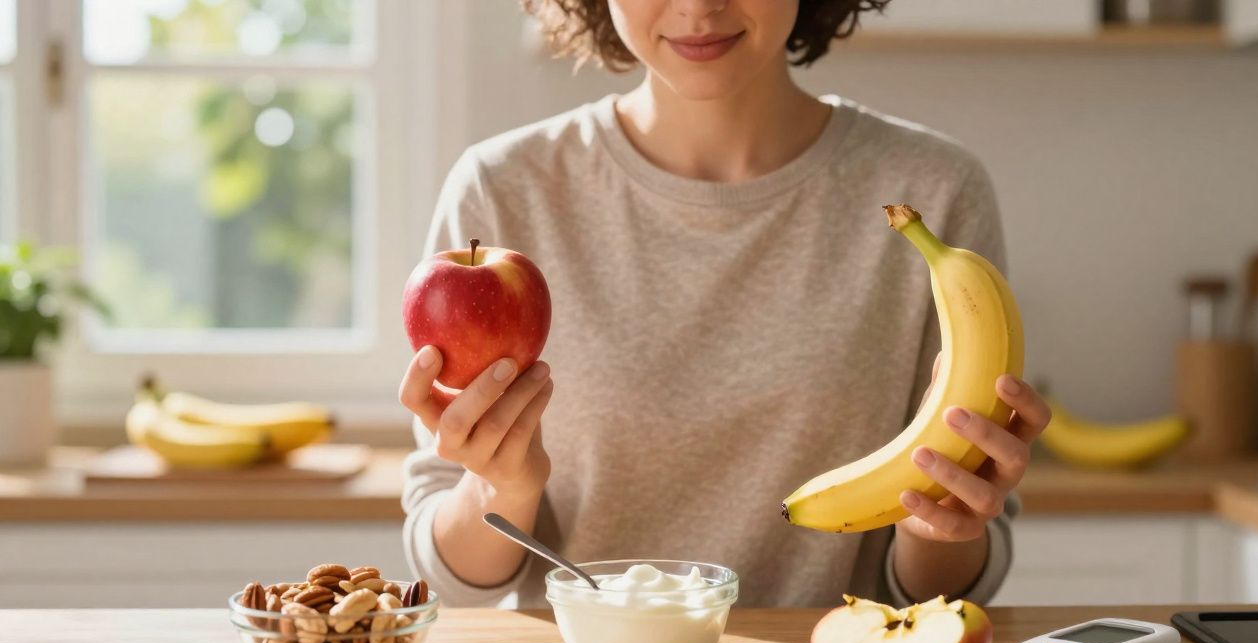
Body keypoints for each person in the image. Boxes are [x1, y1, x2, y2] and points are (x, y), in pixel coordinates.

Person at [398, 0, 1051, 608]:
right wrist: (501, 486)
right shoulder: (505, 188)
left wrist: (939, 526)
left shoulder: (933, 194)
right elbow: (458, 580)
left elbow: (937, 597)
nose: (699, 8)